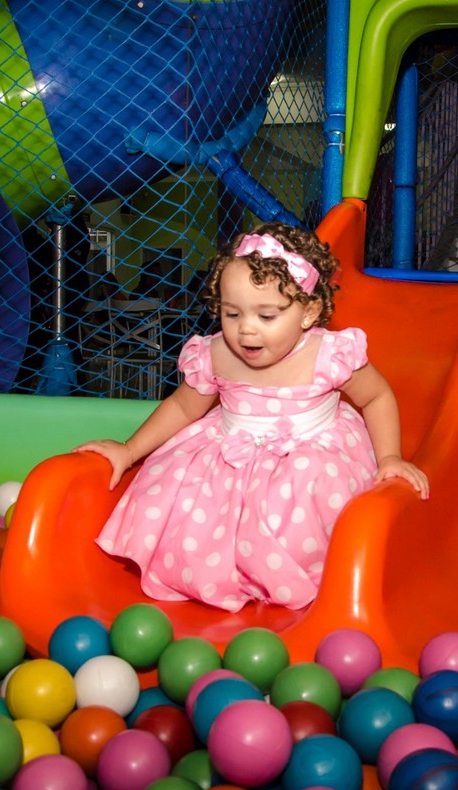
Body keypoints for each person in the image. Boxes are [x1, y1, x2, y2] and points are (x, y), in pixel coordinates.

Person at [74, 222, 429, 612]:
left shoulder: (328, 355)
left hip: (310, 458)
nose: (246, 330)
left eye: (267, 316)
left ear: (309, 312)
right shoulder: (216, 354)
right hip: (230, 455)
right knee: (187, 501)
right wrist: (129, 450)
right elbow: (183, 407)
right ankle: (220, 574)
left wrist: (390, 457)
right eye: (232, 313)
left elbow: (377, 396)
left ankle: (299, 575)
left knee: (302, 500)